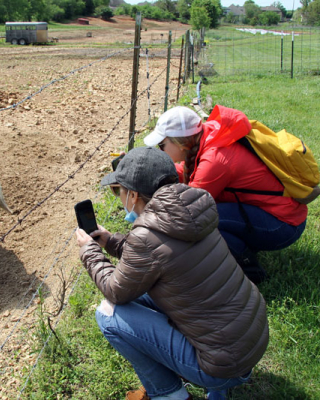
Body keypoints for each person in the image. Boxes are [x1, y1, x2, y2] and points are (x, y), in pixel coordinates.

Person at [75, 147, 269, 400]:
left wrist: (89, 252)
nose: (118, 196)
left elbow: (115, 290)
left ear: (133, 195)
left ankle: (170, 395)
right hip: (250, 340)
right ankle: (217, 391)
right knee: (160, 295)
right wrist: (110, 242)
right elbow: (159, 256)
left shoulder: (147, 237)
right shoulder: (193, 212)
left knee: (109, 314)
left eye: (117, 190)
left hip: (222, 367)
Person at [143, 106, 307, 284]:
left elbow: (186, 210)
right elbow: (187, 172)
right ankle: (240, 248)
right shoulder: (209, 136)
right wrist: (145, 166)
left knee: (203, 219)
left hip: (283, 226)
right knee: (206, 216)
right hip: (280, 215)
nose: (160, 151)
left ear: (180, 144)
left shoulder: (216, 160)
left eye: (162, 145)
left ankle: (249, 270)